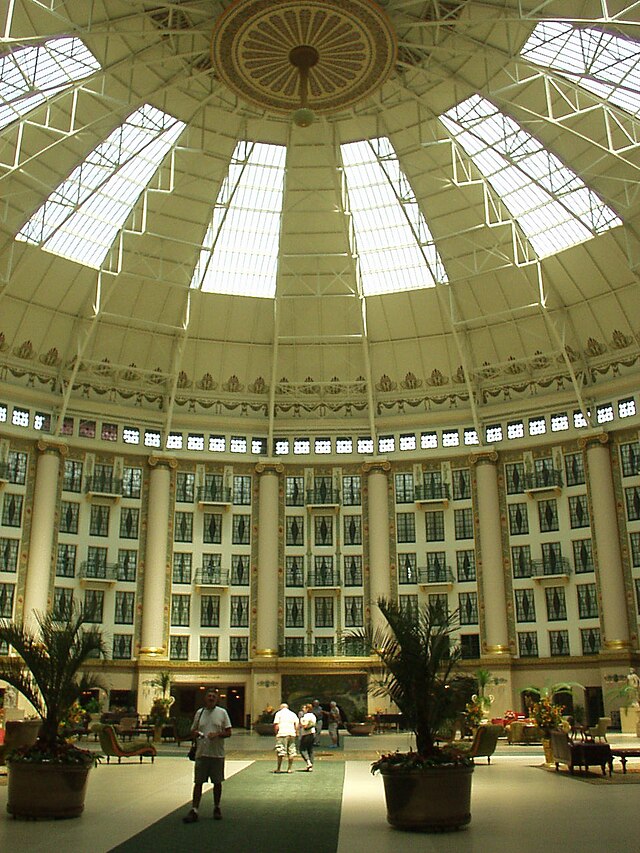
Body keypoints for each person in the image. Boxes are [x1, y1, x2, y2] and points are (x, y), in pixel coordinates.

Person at [182, 688, 232, 824]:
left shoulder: (222, 713)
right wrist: (197, 733)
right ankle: (194, 809)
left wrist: (217, 734)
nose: (211, 698)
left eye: (213, 697)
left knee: (217, 782)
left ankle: (217, 807)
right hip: (201, 753)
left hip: (217, 754)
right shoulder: (200, 713)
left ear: (217, 699)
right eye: (209, 696)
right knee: (198, 782)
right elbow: (192, 731)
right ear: (205, 698)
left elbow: (228, 732)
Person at [273, 702, 299, 773]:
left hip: (282, 733)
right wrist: (296, 732)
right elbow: (296, 724)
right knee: (291, 751)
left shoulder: (278, 714)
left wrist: (276, 733)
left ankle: (279, 768)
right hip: (291, 733)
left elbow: (276, 725)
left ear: (281, 707)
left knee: (280, 751)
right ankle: (289, 768)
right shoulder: (293, 714)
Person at [299, 703, 316, 771]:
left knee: (302, 749)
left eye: (304, 708)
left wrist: (301, 720)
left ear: (307, 709)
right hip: (312, 733)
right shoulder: (313, 716)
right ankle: (311, 766)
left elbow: (304, 725)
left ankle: (308, 762)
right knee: (310, 749)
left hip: (306, 734)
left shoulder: (306, 716)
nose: (303, 709)